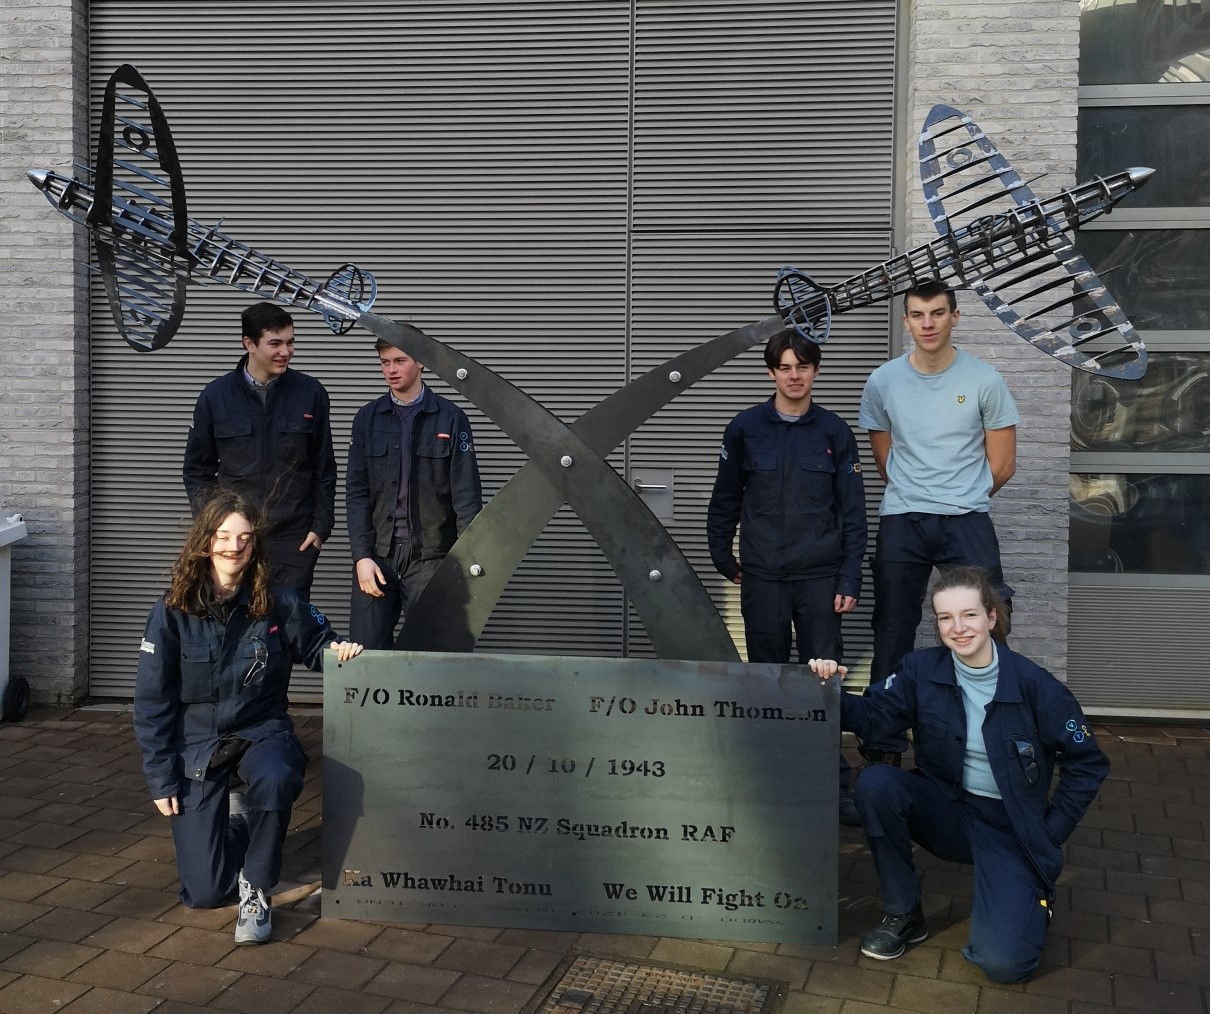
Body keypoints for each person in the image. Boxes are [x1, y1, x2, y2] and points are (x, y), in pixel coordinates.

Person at [808, 566, 1108, 983]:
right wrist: (830, 689)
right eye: (945, 617)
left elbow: (1088, 762)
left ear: (991, 616)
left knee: (1005, 965)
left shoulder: (1035, 686)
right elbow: (876, 720)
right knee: (878, 784)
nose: (958, 628)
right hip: (947, 809)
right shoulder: (919, 669)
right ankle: (904, 914)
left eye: (969, 615)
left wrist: (1050, 829)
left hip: (1011, 829)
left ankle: (1029, 897)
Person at [133, 491, 363, 945]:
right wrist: (161, 778)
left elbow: (319, 644)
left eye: (243, 538)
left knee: (277, 776)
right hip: (197, 746)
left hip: (262, 733)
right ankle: (240, 821)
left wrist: (343, 653)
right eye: (222, 536)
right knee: (205, 892)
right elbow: (152, 701)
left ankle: (257, 887)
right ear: (205, 542)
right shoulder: (171, 612)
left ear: (254, 545)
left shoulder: (280, 601)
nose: (233, 547)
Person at [858, 279, 1020, 764]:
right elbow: (885, 460)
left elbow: (1003, 464)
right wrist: (920, 493)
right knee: (892, 629)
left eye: (936, 313)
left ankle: (991, 740)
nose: (927, 323)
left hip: (965, 520)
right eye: (917, 315)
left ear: (954, 317)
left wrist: (959, 496)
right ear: (906, 321)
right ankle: (881, 746)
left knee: (985, 625)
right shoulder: (882, 381)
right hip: (903, 519)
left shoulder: (985, 380)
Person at [706, 332, 866, 824]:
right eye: (785, 367)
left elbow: (854, 514)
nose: (795, 376)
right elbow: (725, 500)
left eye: (804, 366)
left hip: (820, 579)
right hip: (764, 579)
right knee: (768, 678)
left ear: (816, 371)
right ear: (771, 372)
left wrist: (849, 579)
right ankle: (773, 776)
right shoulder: (745, 429)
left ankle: (831, 781)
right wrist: (721, 555)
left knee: (822, 682)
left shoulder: (835, 434)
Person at [182, 302, 337, 597]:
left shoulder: (311, 393)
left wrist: (320, 528)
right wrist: (214, 524)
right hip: (236, 541)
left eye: (291, 342)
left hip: (293, 541)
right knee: (236, 625)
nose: (286, 352)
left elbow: (324, 468)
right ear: (249, 344)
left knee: (289, 631)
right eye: (275, 343)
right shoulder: (216, 397)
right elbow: (196, 470)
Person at [346, 337, 483, 649]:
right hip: (378, 557)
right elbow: (357, 493)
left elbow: (467, 496)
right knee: (366, 654)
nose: (391, 370)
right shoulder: (367, 419)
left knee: (433, 655)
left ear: (421, 362)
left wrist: (463, 564)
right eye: (385, 362)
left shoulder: (450, 418)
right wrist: (361, 556)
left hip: (431, 559)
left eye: (400, 361)